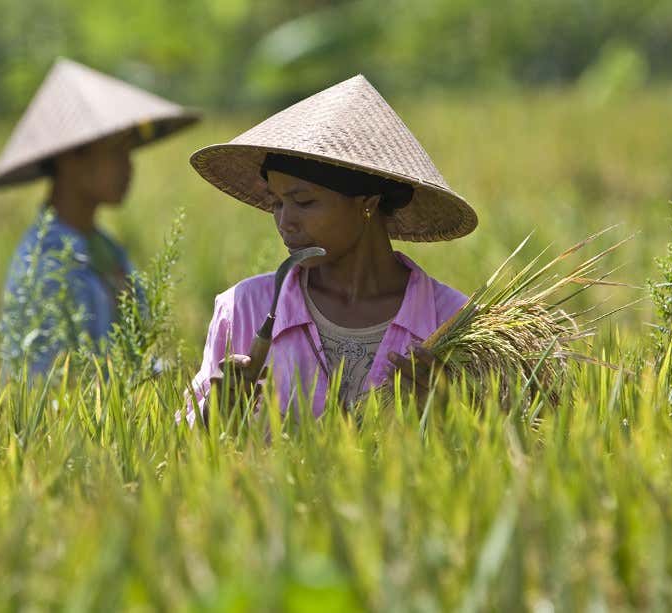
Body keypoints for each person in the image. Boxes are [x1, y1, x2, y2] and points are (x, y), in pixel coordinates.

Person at [186, 74, 477, 424]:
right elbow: (176, 454)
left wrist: (451, 416)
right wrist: (211, 416)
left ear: (367, 203)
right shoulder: (245, 309)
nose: (285, 221)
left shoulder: (453, 321)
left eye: (304, 202)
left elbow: (505, 448)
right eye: (277, 203)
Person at [0, 58, 199, 376]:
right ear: (71, 156)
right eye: (116, 151)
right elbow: (48, 386)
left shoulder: (105, 249)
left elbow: (127, 363)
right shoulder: (46, 262)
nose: (129, 166)